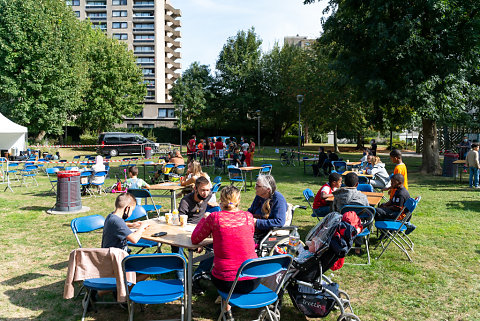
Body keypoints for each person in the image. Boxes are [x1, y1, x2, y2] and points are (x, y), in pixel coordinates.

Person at [191, 186, 258, 321]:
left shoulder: (214, 218)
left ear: (221, 200)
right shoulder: (248, 217)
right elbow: (248, 235)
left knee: (223, 270)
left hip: (226, 281)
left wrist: (204, 219)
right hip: (253, 280)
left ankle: (226, 308)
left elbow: (195, 239)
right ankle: (226, 305)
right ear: (238, 200)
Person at [248, 175, 288, 243]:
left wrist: (257, 222)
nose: (255, 188)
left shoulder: (278, 199)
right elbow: (251, 211)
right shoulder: (259, 196)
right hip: (254, 229)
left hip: (264, 233)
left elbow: (279, 221)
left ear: (268, 189)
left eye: (258, 186)